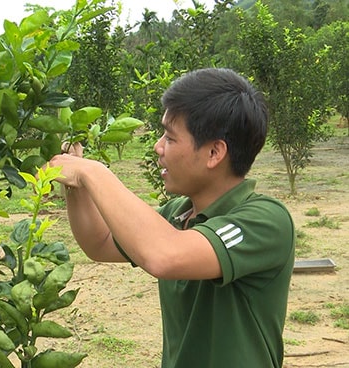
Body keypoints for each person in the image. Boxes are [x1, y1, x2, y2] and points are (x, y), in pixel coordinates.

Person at [48, 68, 295, 368]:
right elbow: (99, 243)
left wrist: (93, 171)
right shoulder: (178, 214)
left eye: (170, 137)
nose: (158, 147)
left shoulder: (266, 221)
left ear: (215, 152)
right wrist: (77, 186)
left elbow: (164, 255)